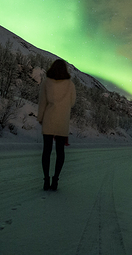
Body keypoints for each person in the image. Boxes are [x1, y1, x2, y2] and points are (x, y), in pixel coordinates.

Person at [38, 59, 76, 191]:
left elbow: (42, 102)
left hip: (49, 119)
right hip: (62, 121)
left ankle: (46, 180)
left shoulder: (46, 82)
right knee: (60, 152)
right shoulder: (70, 85)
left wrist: (40, 117)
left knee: (46, 151)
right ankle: (55, 180)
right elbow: (72, 103)